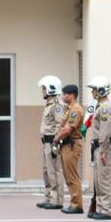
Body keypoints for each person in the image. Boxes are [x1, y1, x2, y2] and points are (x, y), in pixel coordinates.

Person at [87, 76, 111, 220]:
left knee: (104, 179)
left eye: (95, 90)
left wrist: (103, 150)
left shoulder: (105, 108)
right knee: (99, 179)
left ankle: (107, 210)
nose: (93, 92)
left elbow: (105, 130)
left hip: (104, 146)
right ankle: (101, 207)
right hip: (99, 146)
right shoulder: (101, 106)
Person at [37, 75, 65, 210]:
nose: (42, 91)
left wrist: (56, 143)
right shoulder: (48, 104)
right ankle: (48, 197)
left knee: (54, 171)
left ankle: (57, 200)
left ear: (51, 89)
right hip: (46, 142)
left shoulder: (57, 105)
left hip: (52, 142)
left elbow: (60, 125)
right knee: (46, 171)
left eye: (44, 88)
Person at [56, 85, 85, 214]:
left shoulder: (75, 110)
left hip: (72, 145)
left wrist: (56, 139)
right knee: (68, 175)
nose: (63, 96)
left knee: (72, 175)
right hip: (67, 145)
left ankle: (77, 205)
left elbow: (67, 129)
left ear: (71, 95)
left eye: (64, 94)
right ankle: (74, 203)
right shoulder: (69, 109)